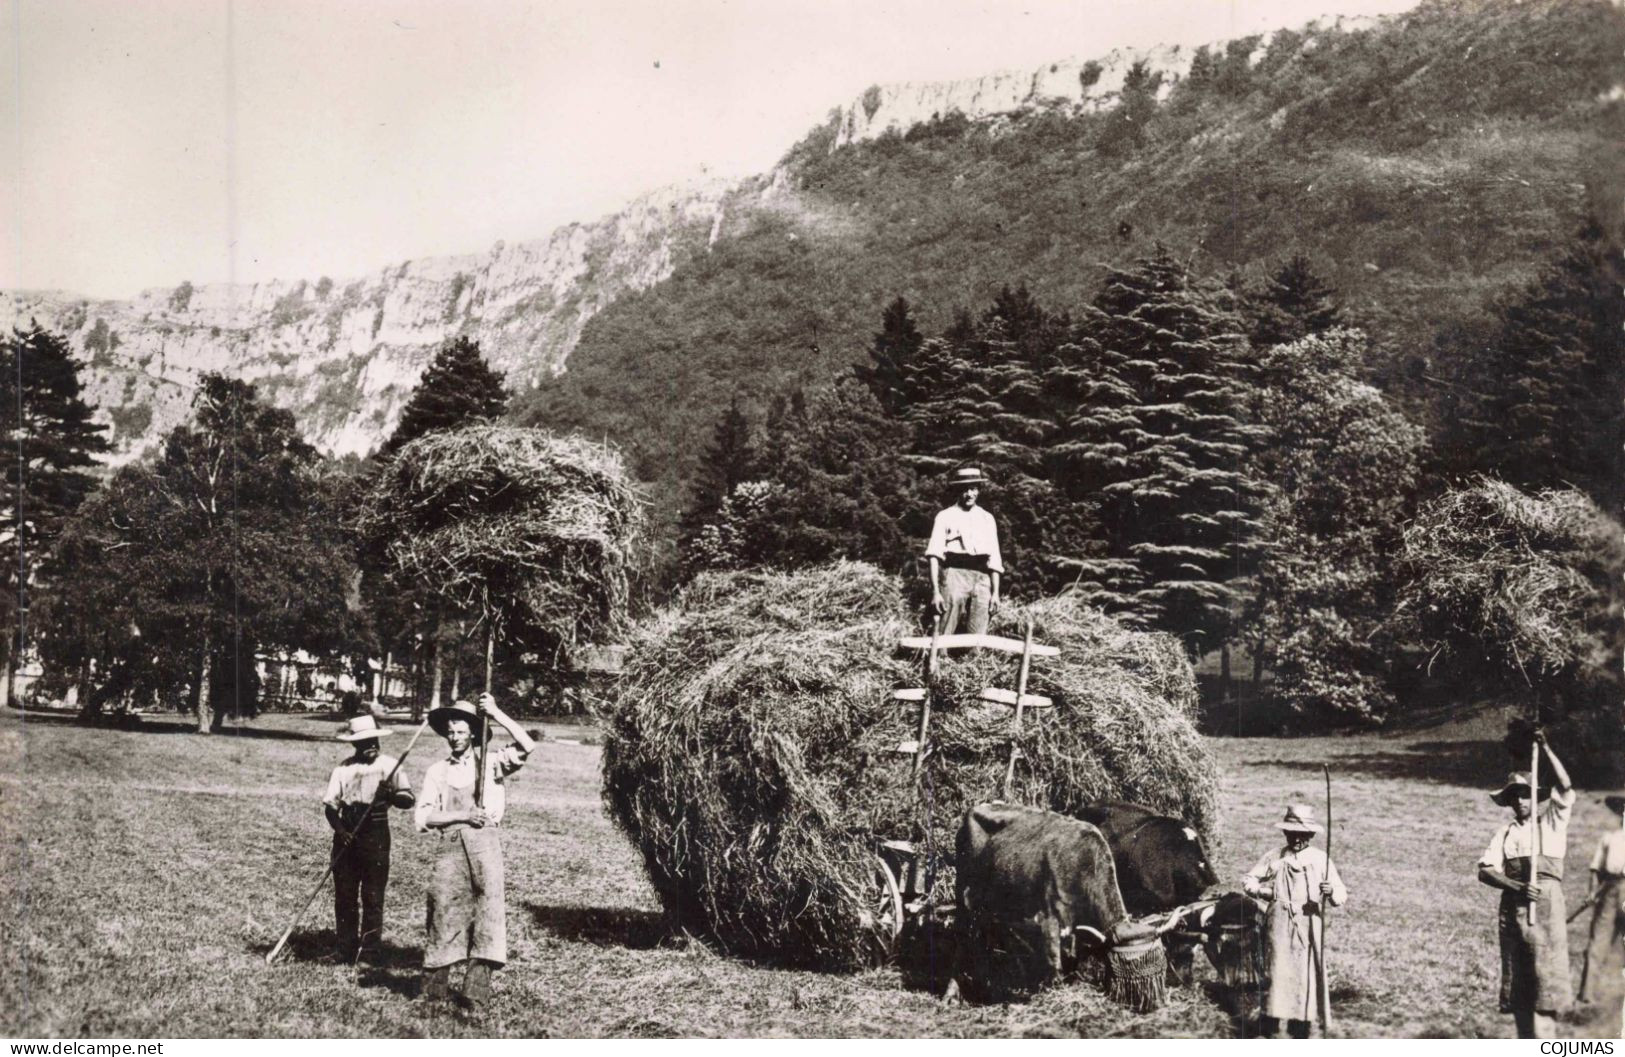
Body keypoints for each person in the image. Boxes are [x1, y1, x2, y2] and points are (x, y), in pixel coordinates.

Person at [416, 692, 536, 1016]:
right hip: (451, 847)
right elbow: (425, 816)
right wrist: (462, 815)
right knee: (443, 912)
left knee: (488, 916)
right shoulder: (437, 771)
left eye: (460, 731)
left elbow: (527, 746)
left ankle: (475, 997)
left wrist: (496, 712)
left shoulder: (492, 764)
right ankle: (433, 994)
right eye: (450, 732)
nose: (454, 737)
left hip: (486, 846)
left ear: (472, 732)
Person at [1476, 729, 1575, 1039]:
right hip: (1514, 906)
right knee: (1519, 979)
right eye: (1514, 796)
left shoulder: (1552, 823)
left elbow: (1566, 786)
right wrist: (1516, 886)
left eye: (1524, 794)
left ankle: (1547, 1042)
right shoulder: (1505, 833)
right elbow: (1484, 870)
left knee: (1547, 977)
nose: (1519, 801)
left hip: (1546, 905)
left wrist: (1545, 748)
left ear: (1534, 796)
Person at [1241, 803, 1346, 1038]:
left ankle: (1302, 1027)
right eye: (1292, 834)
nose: (1297, 840)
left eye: (1302, 835)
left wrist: (1330, 892)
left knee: (1305, 973)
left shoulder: (1321, 860)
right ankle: (1270, 1026)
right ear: (1285, 833)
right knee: (1276, 970)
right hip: (1278, 923)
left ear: (1310, 835)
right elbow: (1249, 879)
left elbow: (1341, 895)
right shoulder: (1275, 857)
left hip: (1309, 924)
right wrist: (1263, 892)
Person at [322, 714, 415, 962]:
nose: (372, 745)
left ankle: (370, 951)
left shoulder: (390, 766)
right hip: (347, 832)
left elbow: (409, 800)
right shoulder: (343, 769)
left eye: (374, 740)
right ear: (355, 744)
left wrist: (390, 796)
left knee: (373, 896)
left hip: (376, 832)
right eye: (365, 742)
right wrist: (341, 832)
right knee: (345, 895)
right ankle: (345, 949)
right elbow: (330, 807)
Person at [924, 466, 1003, 636]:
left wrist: (995, 593)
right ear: (957, 491)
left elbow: (995, 559)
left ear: (979, 490)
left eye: (973, 488)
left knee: (978, 634)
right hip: (955, 575)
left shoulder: (987, 518)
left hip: (983, 579)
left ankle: (973, 660)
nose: (969, 494)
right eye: (965, 489)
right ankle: (939, 660)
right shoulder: (945, 516)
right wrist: (936, 592)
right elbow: (933, 555)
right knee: (945, 628)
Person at [1578, 795, 1625, 1004]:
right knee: (1598, 941)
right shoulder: (1610, 838)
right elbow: (1595, 868)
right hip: (1610, 890)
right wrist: (1591, 892)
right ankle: (1587, 996)